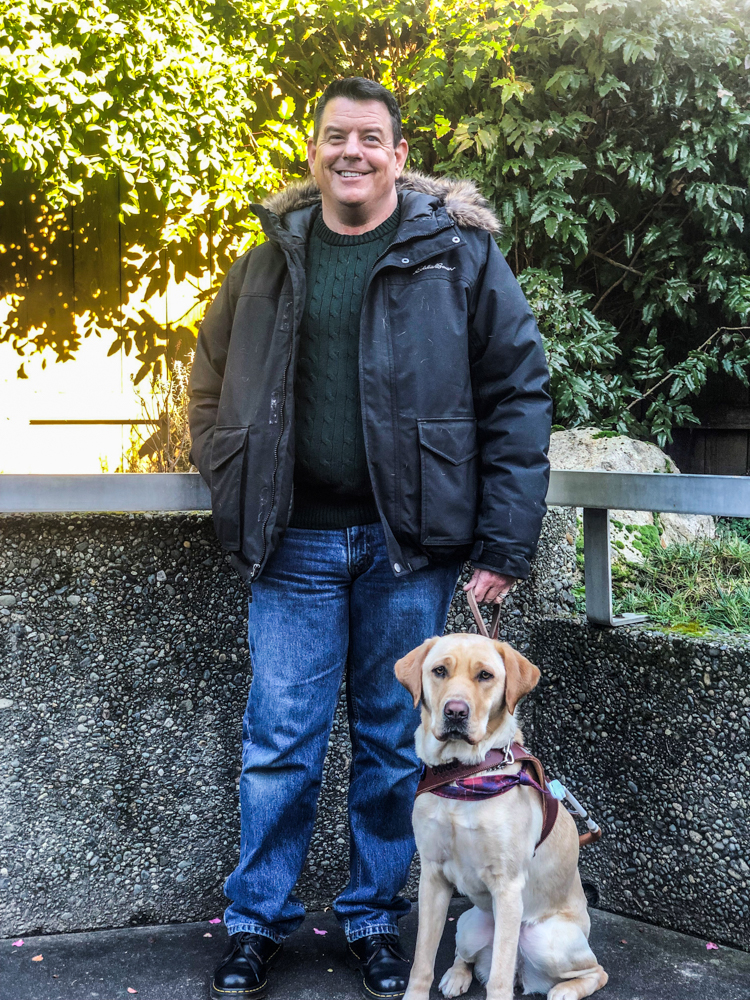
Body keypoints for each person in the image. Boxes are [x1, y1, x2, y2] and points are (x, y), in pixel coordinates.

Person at [188, 76, 551, 1000]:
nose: (351, 151)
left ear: (398, 155)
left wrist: (503, 545)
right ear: (314, 151)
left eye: (371, 138)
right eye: (334, 136)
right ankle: (255, 922)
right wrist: (232, 476)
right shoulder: (267, 258)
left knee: (400, 743)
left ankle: (377, 922)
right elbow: (208, 379)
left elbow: (517, 392)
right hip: (293, 545)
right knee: (280, 742)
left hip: (409, 547)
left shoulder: (455, 255)